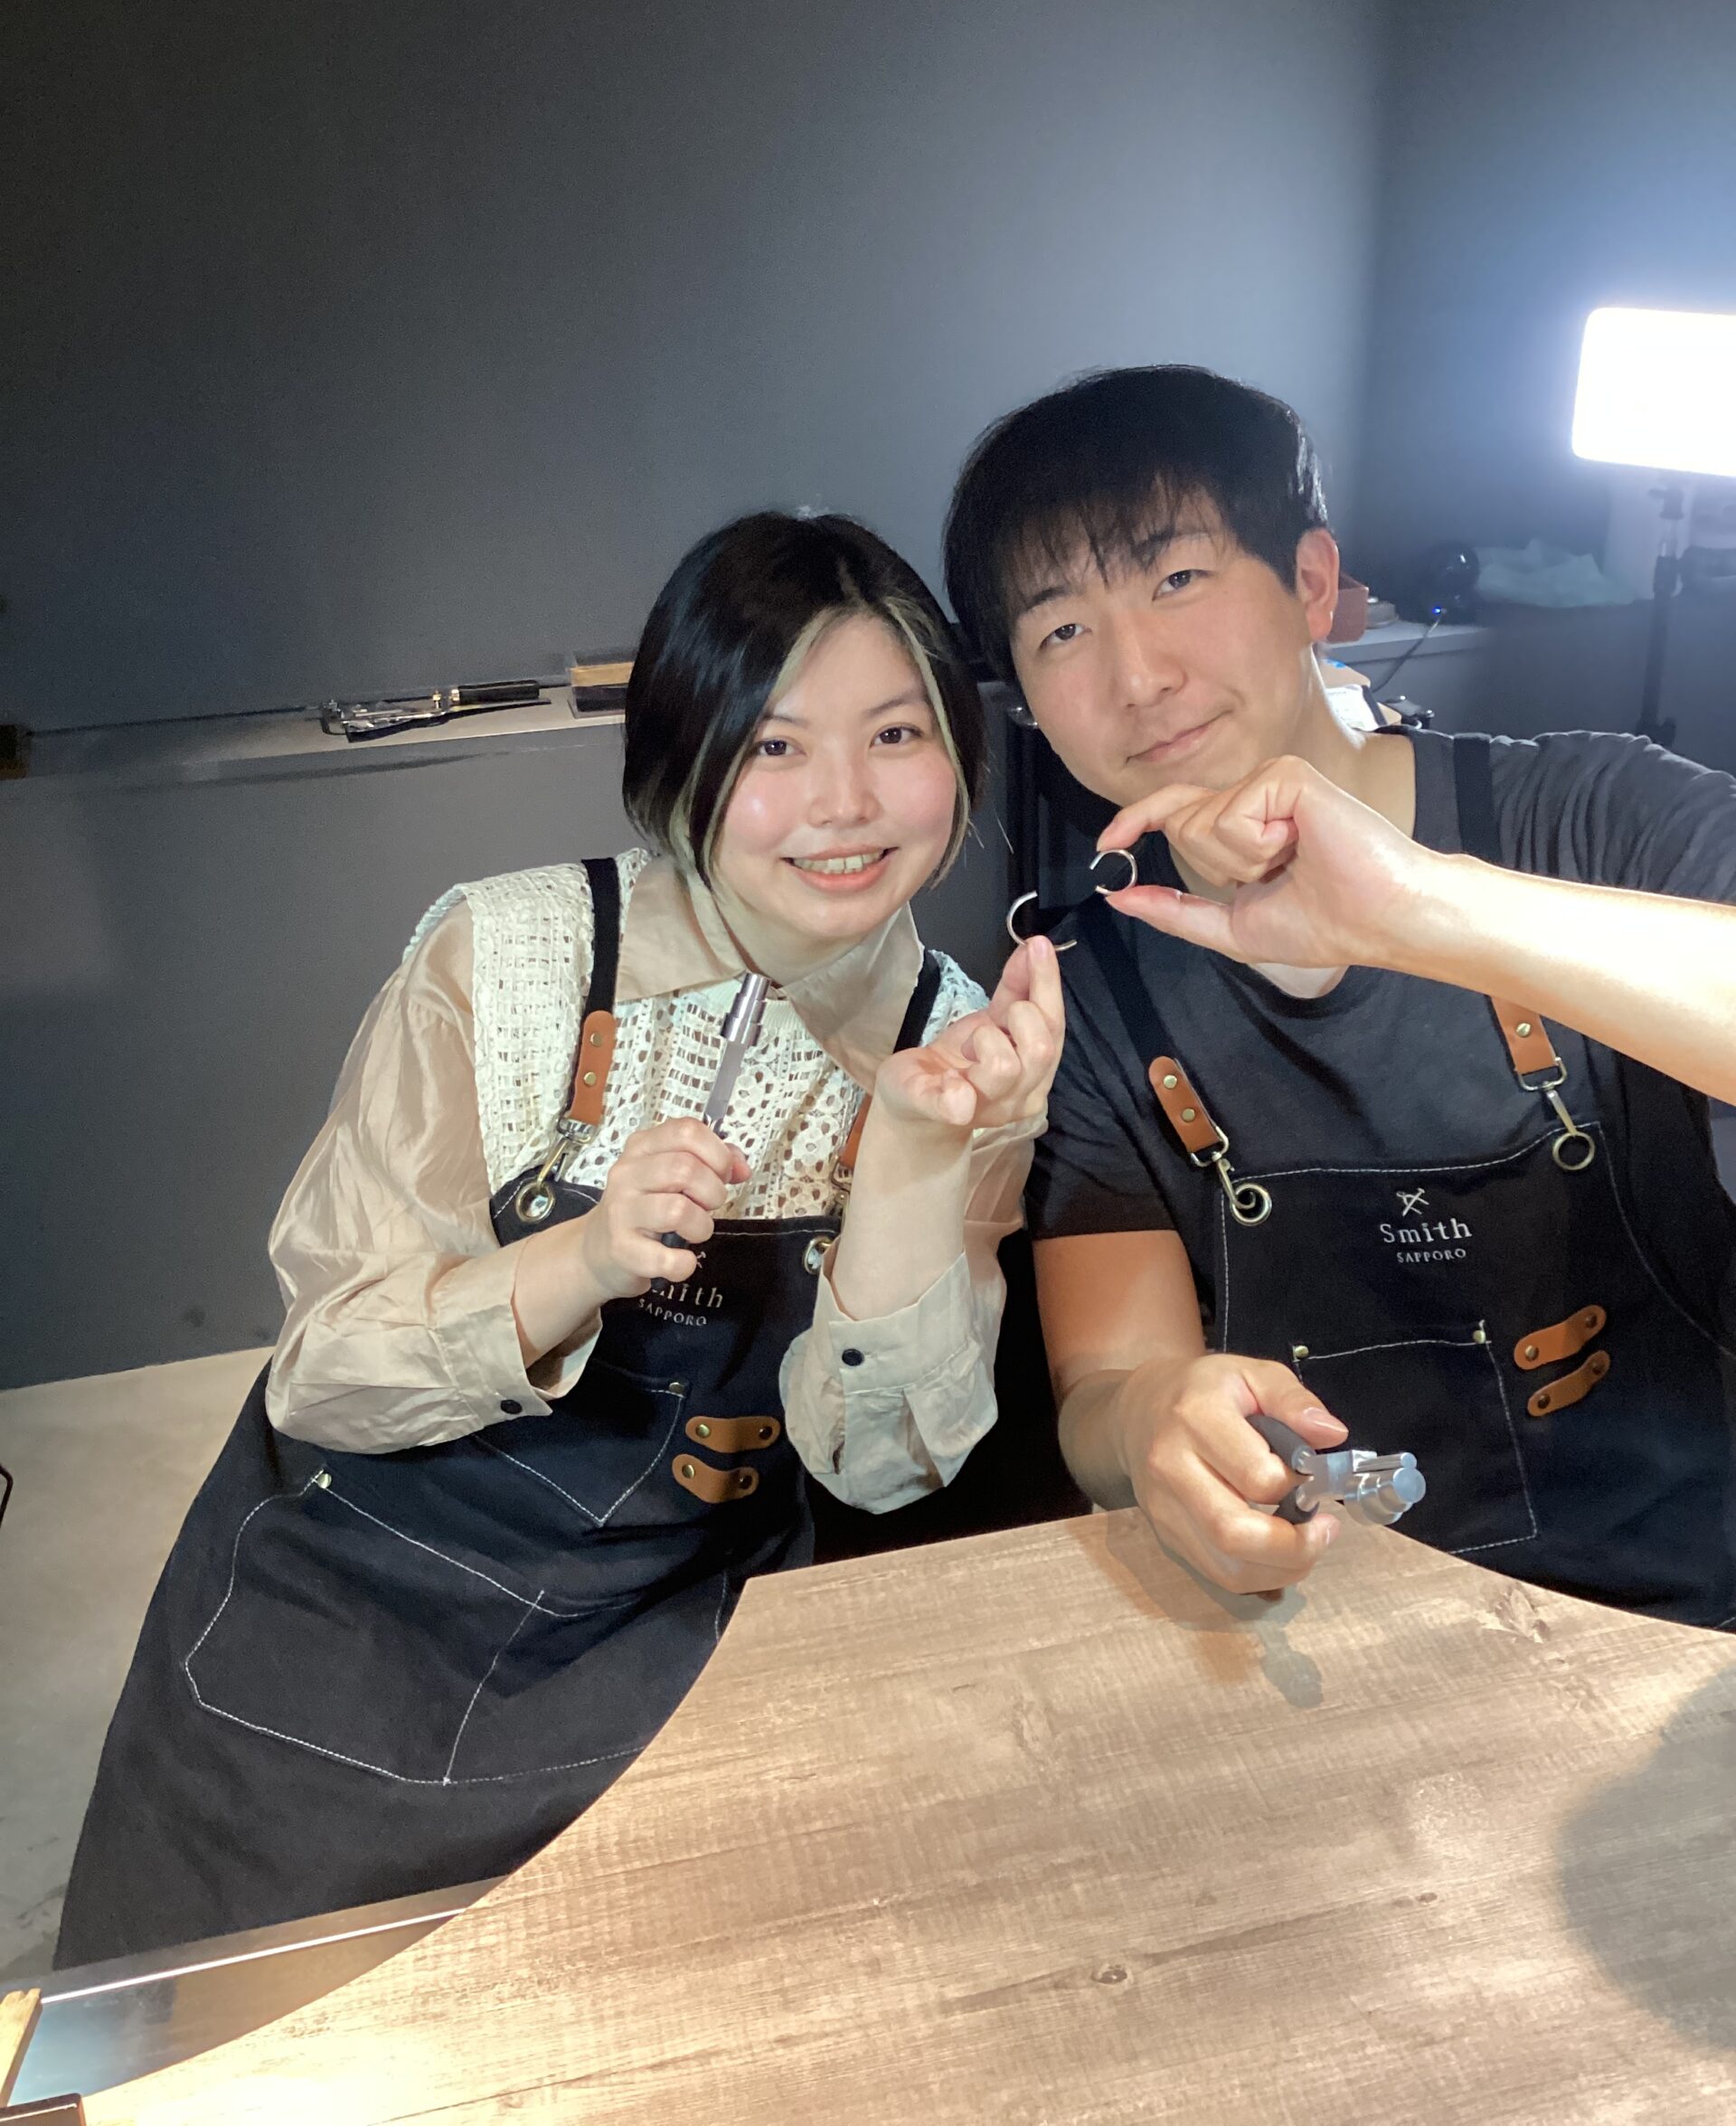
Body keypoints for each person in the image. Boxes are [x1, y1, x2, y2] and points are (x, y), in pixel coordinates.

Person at [57, 511, 1061, 1967]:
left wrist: (913, 1155)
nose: (845, 802)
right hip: (355, 1596)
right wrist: (575, 1264)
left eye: (896, 734)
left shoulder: (967, 1051)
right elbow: (325, 1372)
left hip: (672, 1625)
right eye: (774, 746)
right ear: (680, 759)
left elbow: (884, 1465)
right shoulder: (506, 955)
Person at [945, 364, 1736, 1625]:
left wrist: (1422, 908)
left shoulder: (1590, 813)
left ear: (1313, 584)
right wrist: (1150, 1418)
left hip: (1682, 1609)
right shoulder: (1087, 987)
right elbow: (1105, 1390)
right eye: (1061, 632)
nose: (1136, 675)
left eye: (1176, 579)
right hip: (1331, 1621)